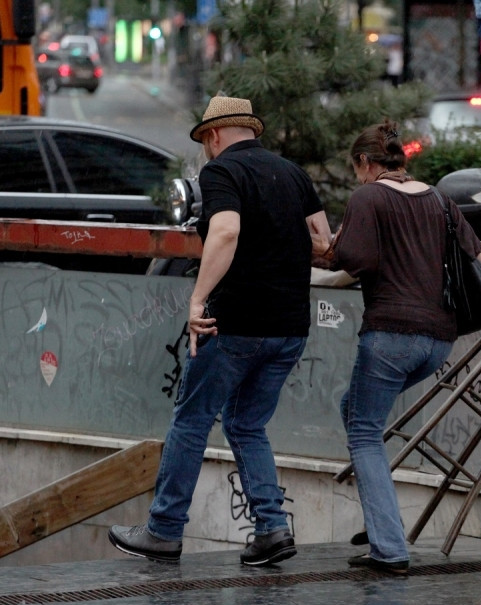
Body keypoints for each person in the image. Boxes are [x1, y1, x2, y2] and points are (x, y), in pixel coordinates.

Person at [109, 96, 332, 566]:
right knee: (246, 424)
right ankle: (271, 529)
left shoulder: (221, 173)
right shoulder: (293, 173)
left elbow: (225, 232)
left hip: (234, 322)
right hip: (290, 326)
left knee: (191, 421)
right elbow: (321, 242)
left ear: (213, 136)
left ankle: (164, 530)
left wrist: (196, 299)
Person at [311, 120, 481, 575]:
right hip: (439, 341)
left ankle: (389, 548)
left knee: (364, 431)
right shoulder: (441, 200)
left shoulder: (369, 197)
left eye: (356, 169)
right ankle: (379, 528)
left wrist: (326, 248)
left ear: (366, 163)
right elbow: (477, 258)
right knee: (355, 410)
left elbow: (355, 259)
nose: (356, 178)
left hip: (390, 335)